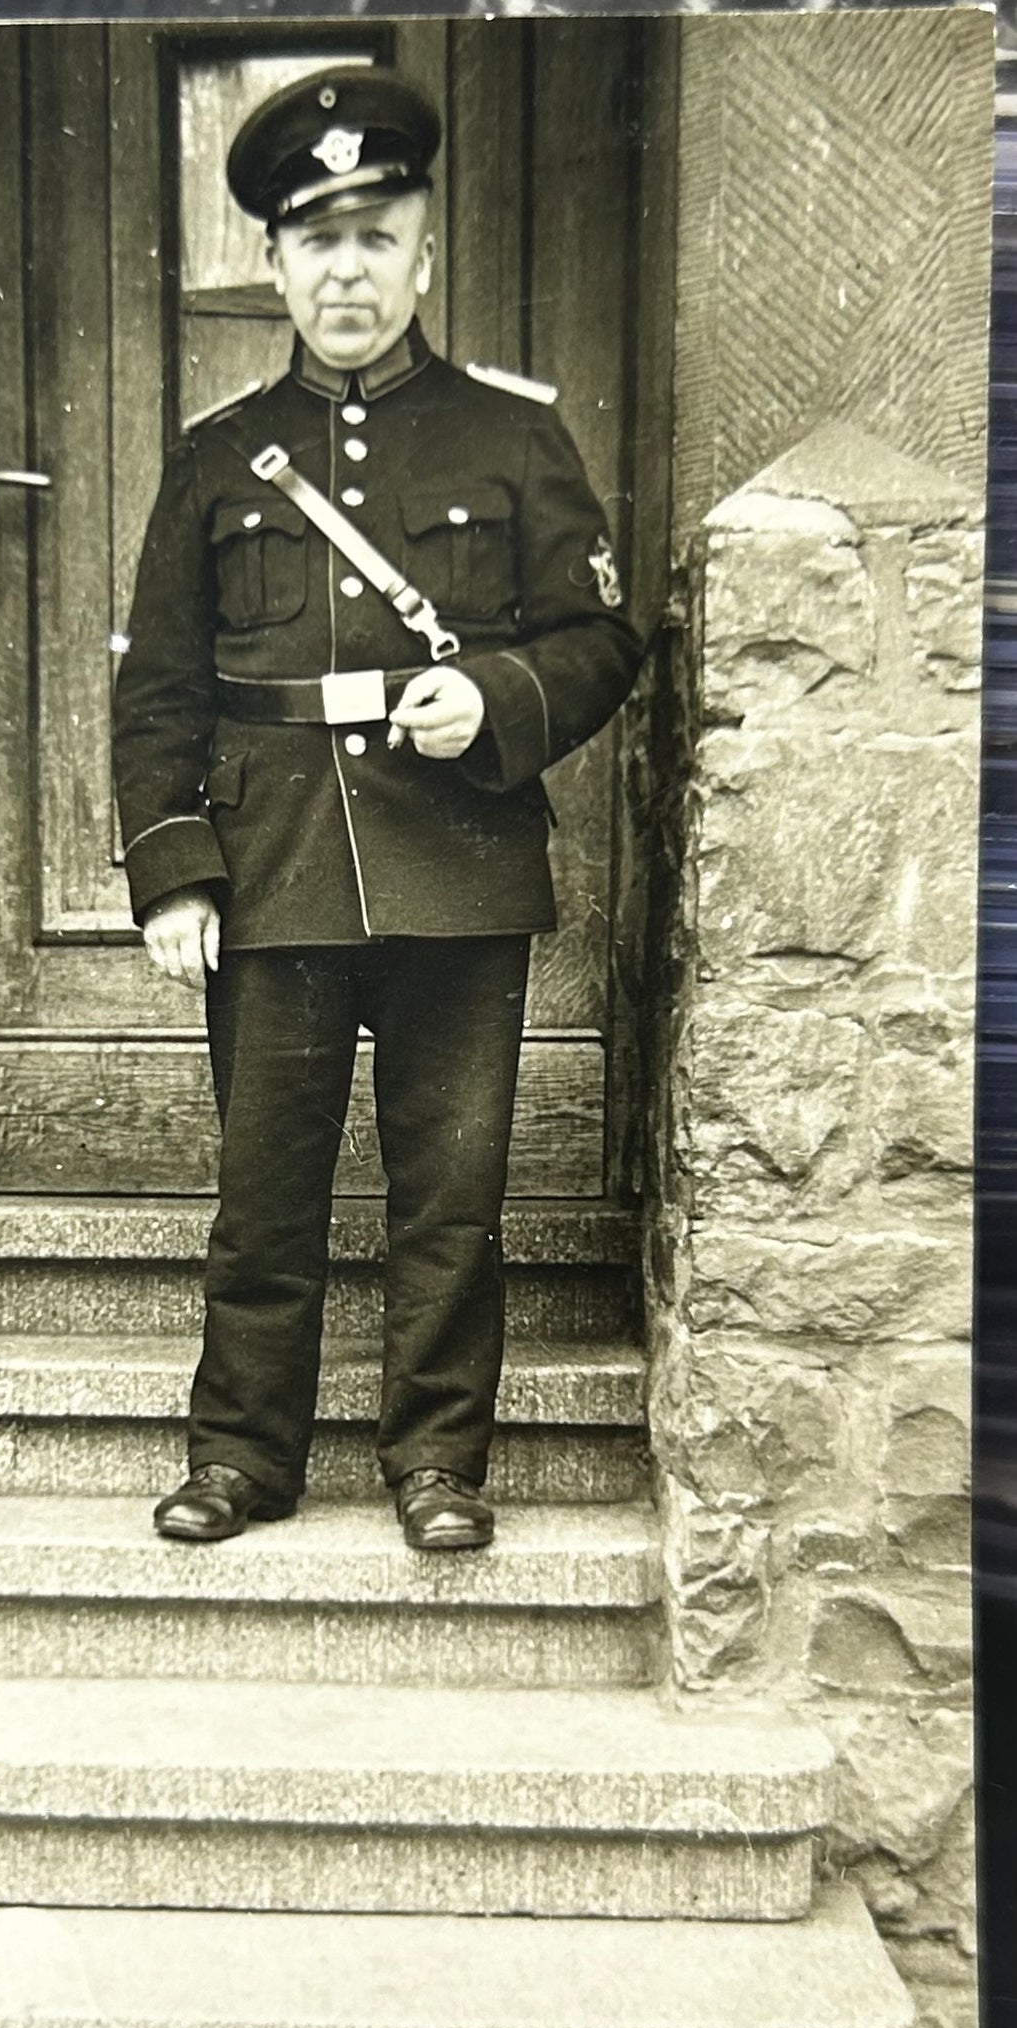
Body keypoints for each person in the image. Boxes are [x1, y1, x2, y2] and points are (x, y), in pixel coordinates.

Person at [113, 65, 643, 1551]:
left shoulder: (514, 438)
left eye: (375, 237)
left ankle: (436, 1465)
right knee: (262, 1193)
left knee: (450, 1197)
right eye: (314, 242)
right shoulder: (216, 458)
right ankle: (243, 1459)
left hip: (461, 865)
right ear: (272, 265)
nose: (345, 271)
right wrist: (172, 871)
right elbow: (158, 683)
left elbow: (601, 640)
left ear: (423, 256)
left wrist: (498, 699)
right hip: (270, 867)